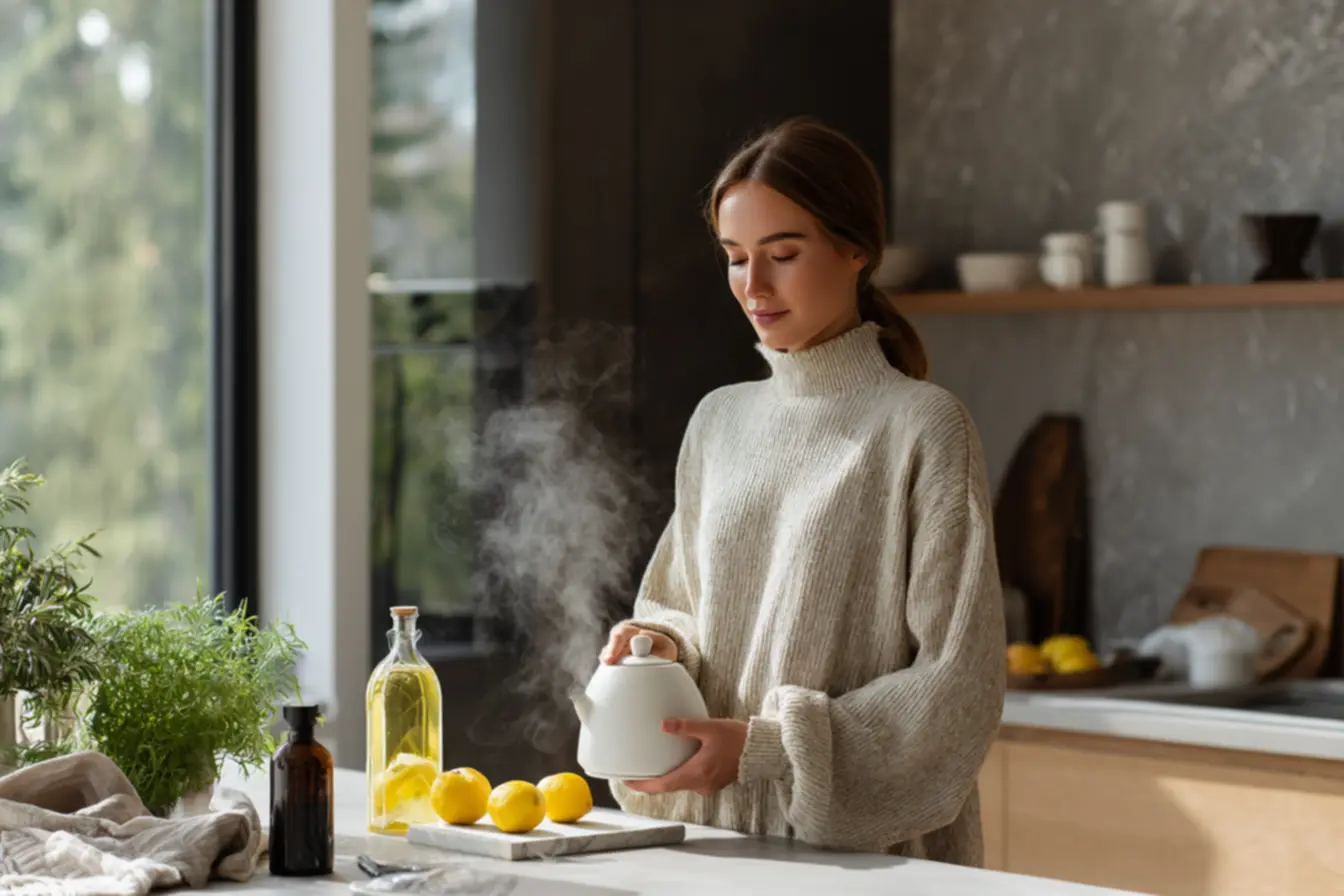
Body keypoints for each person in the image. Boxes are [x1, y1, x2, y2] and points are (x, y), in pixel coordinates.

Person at [599, 116, 1006, 866]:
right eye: (734, 258)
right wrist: (658, 644)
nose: (754, 286)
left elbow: (959, 681)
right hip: (716, 842)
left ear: (858, 250)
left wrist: (766, 749)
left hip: (871, 856)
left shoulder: (923, 425)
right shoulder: (719, 419)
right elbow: (681, 601)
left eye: (783, 254)